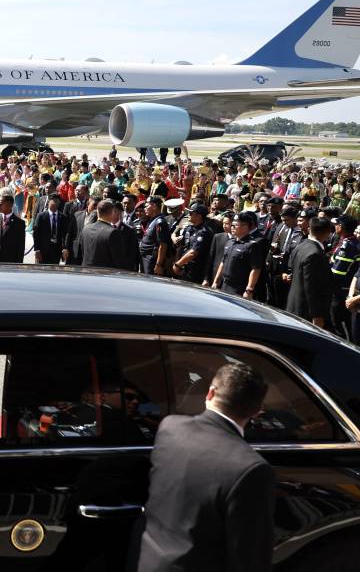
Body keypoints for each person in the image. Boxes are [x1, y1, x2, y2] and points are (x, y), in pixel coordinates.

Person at [138, 361, 273, 572]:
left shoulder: (170, 428)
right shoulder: (250, 468)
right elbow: (249, 556)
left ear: (210, 393)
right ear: (257, 411)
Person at [286, 216, 334, 328]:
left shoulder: (301, 246)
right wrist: (316, 315)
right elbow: (311, 287)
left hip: (295, 306)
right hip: (306, 314)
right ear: (328, 233)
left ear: (309, 229)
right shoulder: (315, 254)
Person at [213, 211, 266, 299]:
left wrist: (249, 289)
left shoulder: (252, 245)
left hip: (239, 288)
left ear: (245, 227)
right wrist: (216, 281)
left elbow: (255, 269)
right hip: (224, 284)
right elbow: (223, 262)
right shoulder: (230, 242)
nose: (231, 228)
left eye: (234, 226)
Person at [79, 198, 131, 269]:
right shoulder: (112, 232)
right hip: (105, 274)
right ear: (113, 212)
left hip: (86, 271)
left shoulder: (86, 229)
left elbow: (83, 253)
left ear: (97, 212)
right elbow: (120, 260)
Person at [171, 203, 214, 283]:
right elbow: (180, 247)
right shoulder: (189, 228)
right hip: (183, 268)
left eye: (191, 213)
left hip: (196, 271)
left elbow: (193, 252)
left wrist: (178, 264)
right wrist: (177, 264)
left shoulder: (204, 232)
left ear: (199, 216)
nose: (188, 215)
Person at [0, 194, 26, 263]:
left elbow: (20, 246)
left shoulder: (19, 223)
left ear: (10, 205)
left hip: (9, 260)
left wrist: (19, 263)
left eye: (1, 204)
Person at [33, 194, 71, 265]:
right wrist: (37, 250)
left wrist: (64, 248)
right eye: (54, 201)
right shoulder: (41, 216)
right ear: (48, 202)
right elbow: (36, 233)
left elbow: (65, 234)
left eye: (58, 202)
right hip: (43, 250)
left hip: (57, 250)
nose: (56, 203)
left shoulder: (63, 217)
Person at [139, 196, 172, 275]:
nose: (145, 209)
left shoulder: (160, 222)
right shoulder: (153, 220)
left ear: (154, 206)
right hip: (145, 258)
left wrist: (158, 264)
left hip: (151, 260)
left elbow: (163, 245)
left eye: (147, 206)